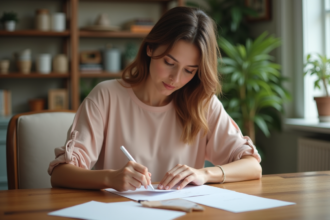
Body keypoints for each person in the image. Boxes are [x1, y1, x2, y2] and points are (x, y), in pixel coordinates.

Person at [49, 6, 261, 192]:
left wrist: (204, 175)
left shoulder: (202, 103)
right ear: (150, 48)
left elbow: (252, 166)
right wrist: (109, 178)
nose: (176, 79)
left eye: (189, 70)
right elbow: (60, 174)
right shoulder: (107, 96)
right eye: (169, 62)